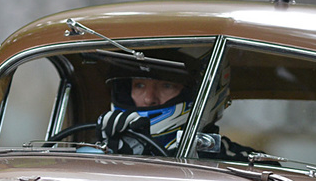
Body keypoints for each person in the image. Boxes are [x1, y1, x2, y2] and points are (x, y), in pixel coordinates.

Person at [94, 53, 236, 157]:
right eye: (140, 85)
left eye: (167, 86)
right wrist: (110, 155)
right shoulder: (93, 154)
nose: (149, 99)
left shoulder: (234, 161)